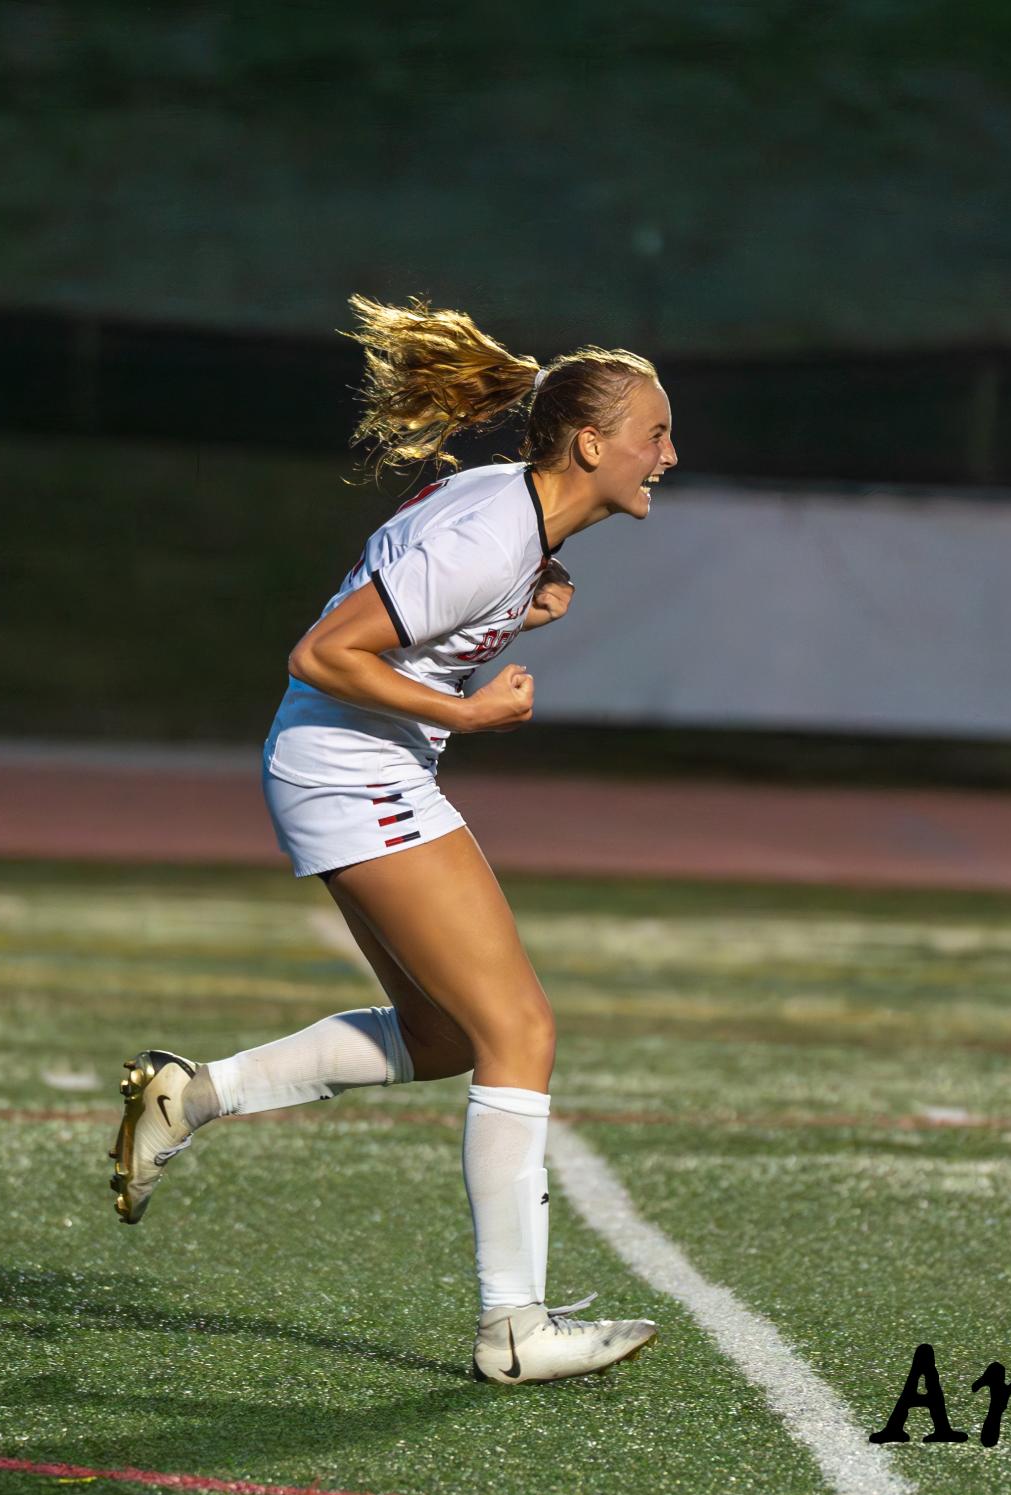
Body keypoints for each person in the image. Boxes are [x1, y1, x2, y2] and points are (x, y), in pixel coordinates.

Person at [107, 295, 678, 1383]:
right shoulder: (494, 530)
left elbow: (421, 610)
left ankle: (197, 1091)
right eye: (654, 433)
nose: (669, 453)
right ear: (591, 443)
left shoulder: (506, 515)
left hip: (346, 767)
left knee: (450, 1032)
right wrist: (472, 710)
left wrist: (513, 610)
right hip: (353, 768)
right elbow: (321, 650)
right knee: (521, 1029)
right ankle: (513, 1328)